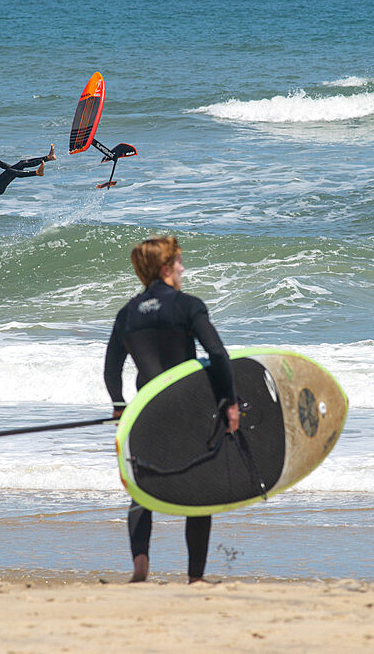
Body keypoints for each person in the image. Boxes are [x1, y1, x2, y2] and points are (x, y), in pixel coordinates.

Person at [104, 236, 240, 584]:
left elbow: (111, 370)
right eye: (179, 262)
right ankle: (195, 577)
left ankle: (139, 567)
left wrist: (120, 407)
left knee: (140, 489)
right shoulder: (187, 305)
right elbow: (218, 354)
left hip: (146, 411)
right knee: (199, 492)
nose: (182, 268)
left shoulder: (128, 313)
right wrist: (231, 402)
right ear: (165, 268)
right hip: (188, 411)